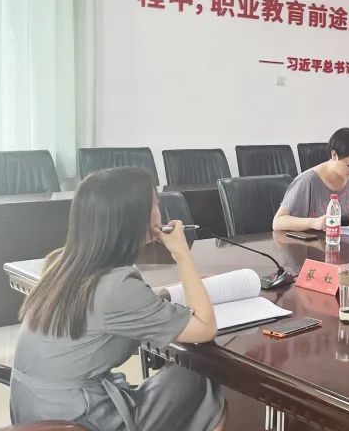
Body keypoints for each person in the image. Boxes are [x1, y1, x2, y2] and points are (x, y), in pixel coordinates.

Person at [12, 167, 225, 431]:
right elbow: (204, 328)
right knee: (201, 376)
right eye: (155, 204)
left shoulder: (63, 262)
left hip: (34, 412)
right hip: (75, 419)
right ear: (133, 219)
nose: (159, 212)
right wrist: (182, 253)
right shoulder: (117, 288)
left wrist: (172, 292)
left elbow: (112, 310)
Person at [273, 127, 349, 231]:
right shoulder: (308, 181)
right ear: (334, 155)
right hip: (314, 239)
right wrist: (313, 223)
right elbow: (278, 222)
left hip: (345, 238)